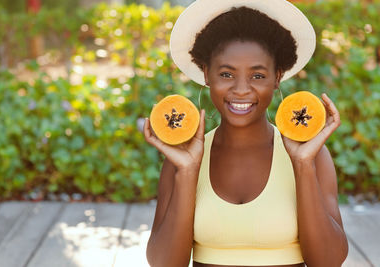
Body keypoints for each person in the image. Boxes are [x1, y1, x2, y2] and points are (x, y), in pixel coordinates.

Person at [143, 0, 349, 266]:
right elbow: (165, 263)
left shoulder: (311, 155)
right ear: (206, 74)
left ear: (277, 77)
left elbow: (329, 261)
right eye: (227, 74)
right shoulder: (182, 159)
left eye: (258, 76)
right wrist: (187, 172)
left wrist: (303, 165)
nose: (241, 89)